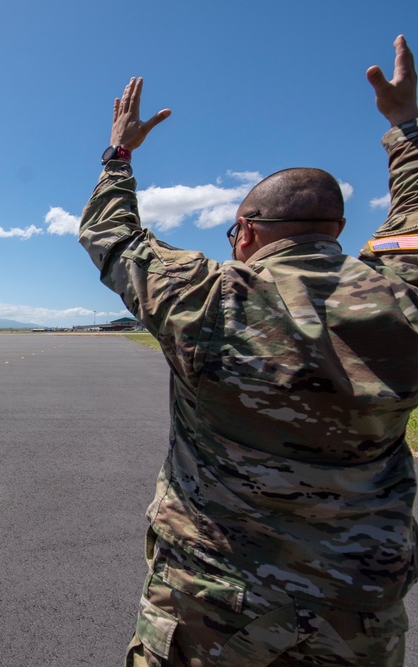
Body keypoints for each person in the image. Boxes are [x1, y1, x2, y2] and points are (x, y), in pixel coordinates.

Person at [78, 36, 418, 666]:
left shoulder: (206, 298)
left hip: (214, 609)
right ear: (336, 229)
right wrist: (407, 131)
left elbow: (109, 235)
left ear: (248, 231)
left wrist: (119, 151)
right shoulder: (401, 299)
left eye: (233, 229)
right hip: (359, 610)